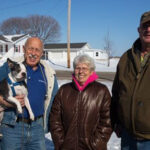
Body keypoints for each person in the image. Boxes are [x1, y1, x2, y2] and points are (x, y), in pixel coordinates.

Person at [0, 37, 58, 150]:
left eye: (37, 50)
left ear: (42, 53)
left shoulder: (49, 72)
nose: (33, 53)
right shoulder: (10, 66)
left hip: (37, 128)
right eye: (30, 49)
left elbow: (54, 100)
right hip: (12, 127)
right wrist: (3, 101)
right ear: (24, 49)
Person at [50, 54, 112, 150]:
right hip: (67, 146)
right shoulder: (64, 90)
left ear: (91, 71)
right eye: (78, 68)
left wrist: (96, 143)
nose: (81, 71)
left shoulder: (101, 91)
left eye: (85, 68)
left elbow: (108, 121)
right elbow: (55, 119)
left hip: (92, 147)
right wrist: (61, 142)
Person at [111, 11, 150, 150]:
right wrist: (116, 121)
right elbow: (116, 93)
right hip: (127, 136)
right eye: (145, 26)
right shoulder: (125, 58)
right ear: (139, 30)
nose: (148, 29)